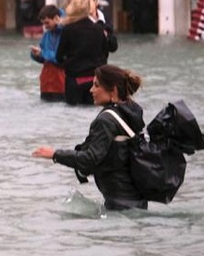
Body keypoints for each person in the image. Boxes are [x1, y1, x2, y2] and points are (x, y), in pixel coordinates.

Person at [32, 64, 147, 211]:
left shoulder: (106, 120)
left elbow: (90, 159)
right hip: (137, 200)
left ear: (113, 90)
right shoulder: (130, 112)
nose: (91, 90)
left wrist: (55, 154)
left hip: (120, 205)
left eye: (96, 85)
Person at [56, 0, 112, 106]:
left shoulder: (68, 29)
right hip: (95, 81)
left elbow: (59, 56)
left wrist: (67, 65)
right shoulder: (98, 29)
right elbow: (105, 54)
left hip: (74, 79)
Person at [29, 5, 65, 102]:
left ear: (56, 18)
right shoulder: (46, 35)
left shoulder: (66, 33)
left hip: (61, 83)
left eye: (47, 23)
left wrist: (43, 53)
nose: (45, 26)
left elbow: (61, 58)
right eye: (43, 24)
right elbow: (44, 57)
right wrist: (36, 54)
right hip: (46, 83)